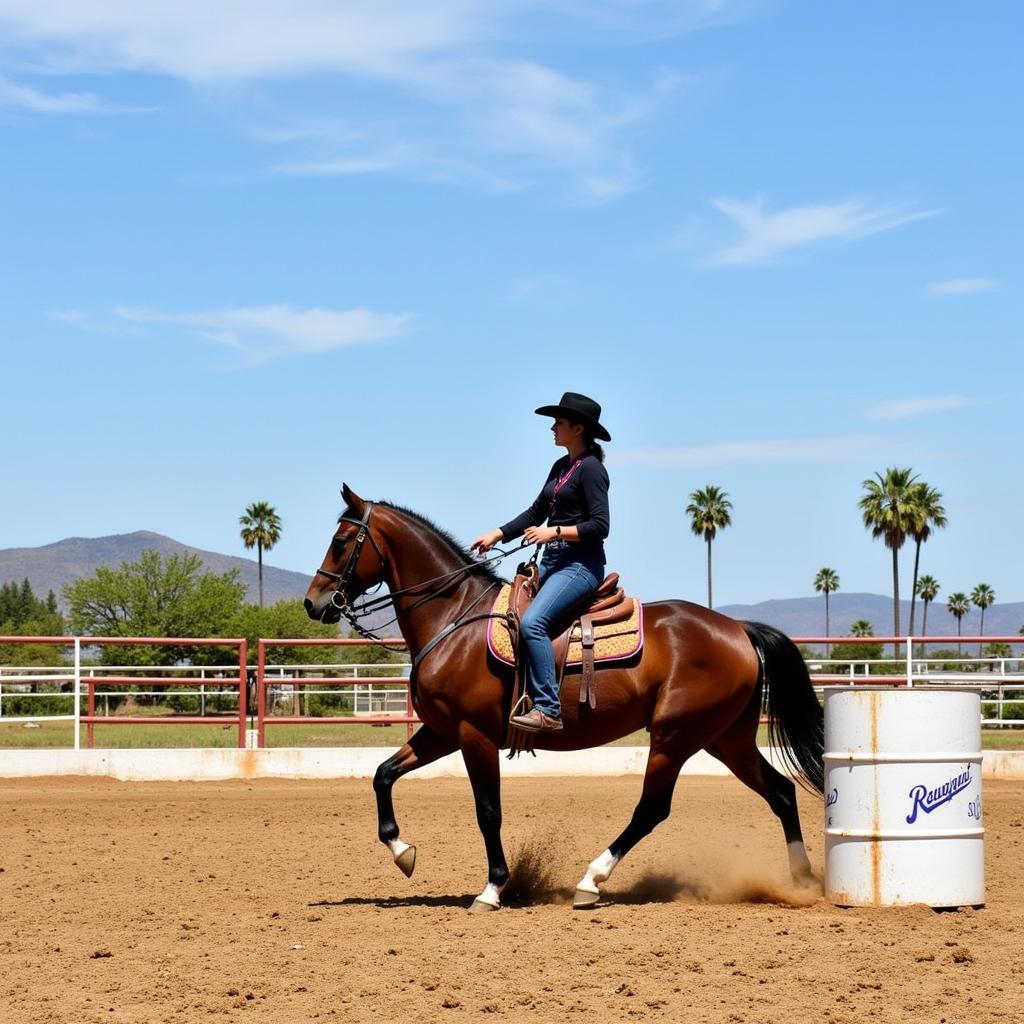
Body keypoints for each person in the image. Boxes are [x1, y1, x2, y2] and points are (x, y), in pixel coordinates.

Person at [471, 392, 611, 733]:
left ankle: (549, 709)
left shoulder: (592, 470)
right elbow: (537, 512)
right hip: (552, 563)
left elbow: (601, 526)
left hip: (580, 566)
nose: (553, 427)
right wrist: (498, 533)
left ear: (578, 428)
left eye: (559, 422)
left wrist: (555, 532)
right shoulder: (562, 466)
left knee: (533, 622)